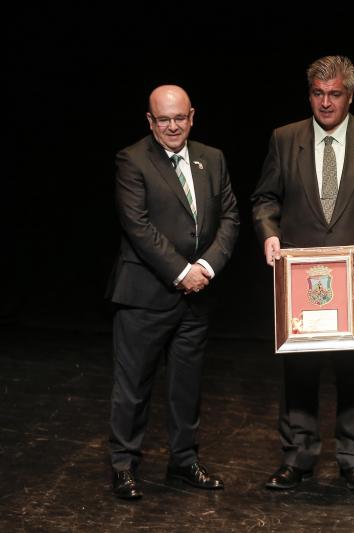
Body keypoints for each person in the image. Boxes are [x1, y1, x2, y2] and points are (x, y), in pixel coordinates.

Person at [251, 55, 354, 492]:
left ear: (350, 95)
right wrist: (269, 235)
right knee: (299, 374)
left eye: (334, 94)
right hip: (302, 283)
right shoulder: (286, 138)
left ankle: (353, 458)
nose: (325, 102)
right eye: (318, 94)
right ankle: (297, 456)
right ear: (310, 95)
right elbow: (264, 199)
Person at [105, 85, 240, 500]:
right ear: (150, 121)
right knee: (133, 387)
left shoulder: (211, 159)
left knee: (186, 386)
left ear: (192, 116)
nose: (172, 126)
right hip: (145, 295)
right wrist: (181, 271)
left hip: (197, 295)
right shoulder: (132, 160)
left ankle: (184, 460)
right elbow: (137, 226)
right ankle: (124, 466)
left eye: (179, 118)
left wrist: (204, 267)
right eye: (163, 119)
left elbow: (231, 217)